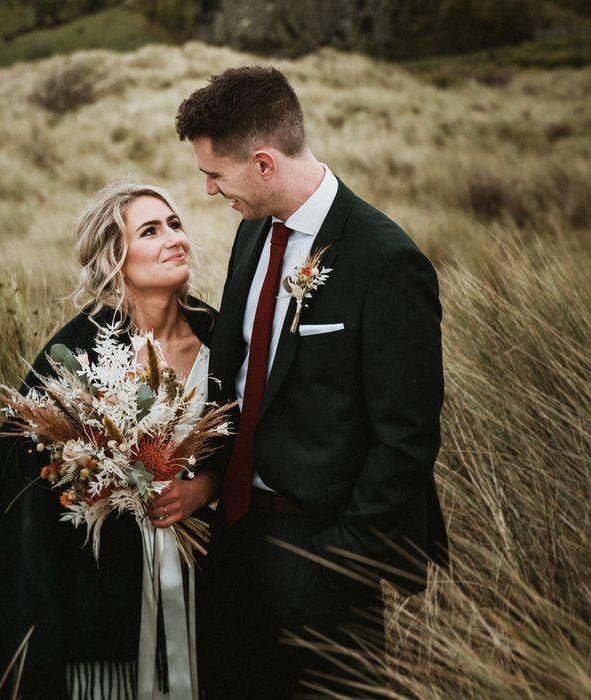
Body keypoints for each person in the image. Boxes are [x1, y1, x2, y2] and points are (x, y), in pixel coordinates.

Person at [176, 66, 449, 698]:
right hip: (238, 533)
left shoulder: (386, 262)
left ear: (265, 163)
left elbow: (406, 440)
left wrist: (339, 563)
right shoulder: (253, 233)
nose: (212, 192)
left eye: (215, 175)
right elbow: (239, 376)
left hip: (323, 550)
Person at [0, 181, 220, 700]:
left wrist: (201, 489)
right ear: (116, 256)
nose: (173, 239)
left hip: (212, 573)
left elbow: (255, 447)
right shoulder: (75, 352)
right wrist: (93, 482)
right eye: (151, 231)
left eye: (175, 224)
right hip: (101, 579)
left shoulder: (221, 340)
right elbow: (25, 478)